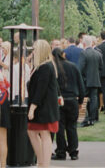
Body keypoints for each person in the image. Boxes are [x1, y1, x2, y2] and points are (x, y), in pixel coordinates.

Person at [27, 40, 61, 168]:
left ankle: (43, 163)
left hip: (44, 106)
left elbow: (41, 89)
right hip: (44, 105)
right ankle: (41, 161)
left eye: (35, 49)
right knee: (34, 132)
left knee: (44, 133)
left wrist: (32, 108)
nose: (33, 52)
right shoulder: (44, 66)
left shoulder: (45, 67)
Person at [53, 48, 82, 161]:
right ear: (63, 54)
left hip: (59, 100)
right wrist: (80, 100)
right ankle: (73, 151)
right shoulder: (73, 66)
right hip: (72, 99)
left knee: (60, 127)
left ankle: (61, 151)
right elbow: (80, 84)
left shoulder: (54, 68)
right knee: (72, 126)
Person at [77, 36, 102, 127]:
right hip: (95, 79)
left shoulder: (83, 53)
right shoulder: (98, 53)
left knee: (85, 99)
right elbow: (100, 67)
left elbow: (80, 68)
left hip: (86, 80)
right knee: (94, 99)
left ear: (84, 44)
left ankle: (88, 118)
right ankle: (93, 117)